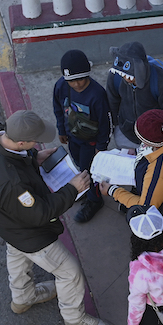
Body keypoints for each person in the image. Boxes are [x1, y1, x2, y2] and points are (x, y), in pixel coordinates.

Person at [0, 110, 110, 325]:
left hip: (5, 222)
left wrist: (33, 159)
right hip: (27, 230)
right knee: (69, 272)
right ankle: (75, 319)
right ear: (21, 142)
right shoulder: (11, 185)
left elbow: (13, 165)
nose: (37, 143)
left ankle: (23, 297)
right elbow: (40, 213)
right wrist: (72, 189)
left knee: (16, 253)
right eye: (34, 142)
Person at [99, 110, 163, 235]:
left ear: (153, 143)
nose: (142, 143)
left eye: (143, 140)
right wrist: (138, 151)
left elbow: (145, 206)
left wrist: (113, 191)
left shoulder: (161, 171)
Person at [52, 49, 111, 223]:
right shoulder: (61, 86)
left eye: (81, 79)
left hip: (91, 143)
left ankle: (94, 200)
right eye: (72, 81)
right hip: (73, 138)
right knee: (78, 164)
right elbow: (58, 109)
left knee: (89, 171)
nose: (77, 84)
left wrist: (101, 147)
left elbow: (105, 123)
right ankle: (84, 190)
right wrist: (61, 130)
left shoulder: (97, 94)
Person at [107, 42, 163, 150]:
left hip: (153, 137)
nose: (126, 79)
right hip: (126, 134)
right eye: (123, 75)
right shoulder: (116, 76)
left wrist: (162, 136)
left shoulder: (161, 81)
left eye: (131, 76)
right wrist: (116, 125)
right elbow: (112, 101)